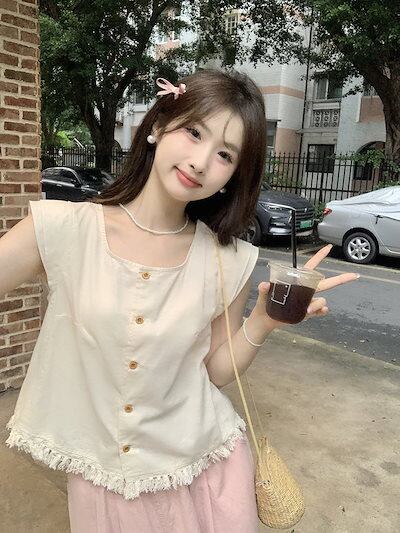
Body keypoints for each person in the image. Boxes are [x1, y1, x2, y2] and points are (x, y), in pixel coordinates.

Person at [0, 68, 359, 532]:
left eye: (225, 154)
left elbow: (215, 372)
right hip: (107, 480)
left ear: (233, 175)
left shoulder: (228, 259)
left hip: (208, 471)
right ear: (157, 125)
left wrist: (265, 319)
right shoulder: (64, 229)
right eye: (194, 132)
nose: (201, 161)